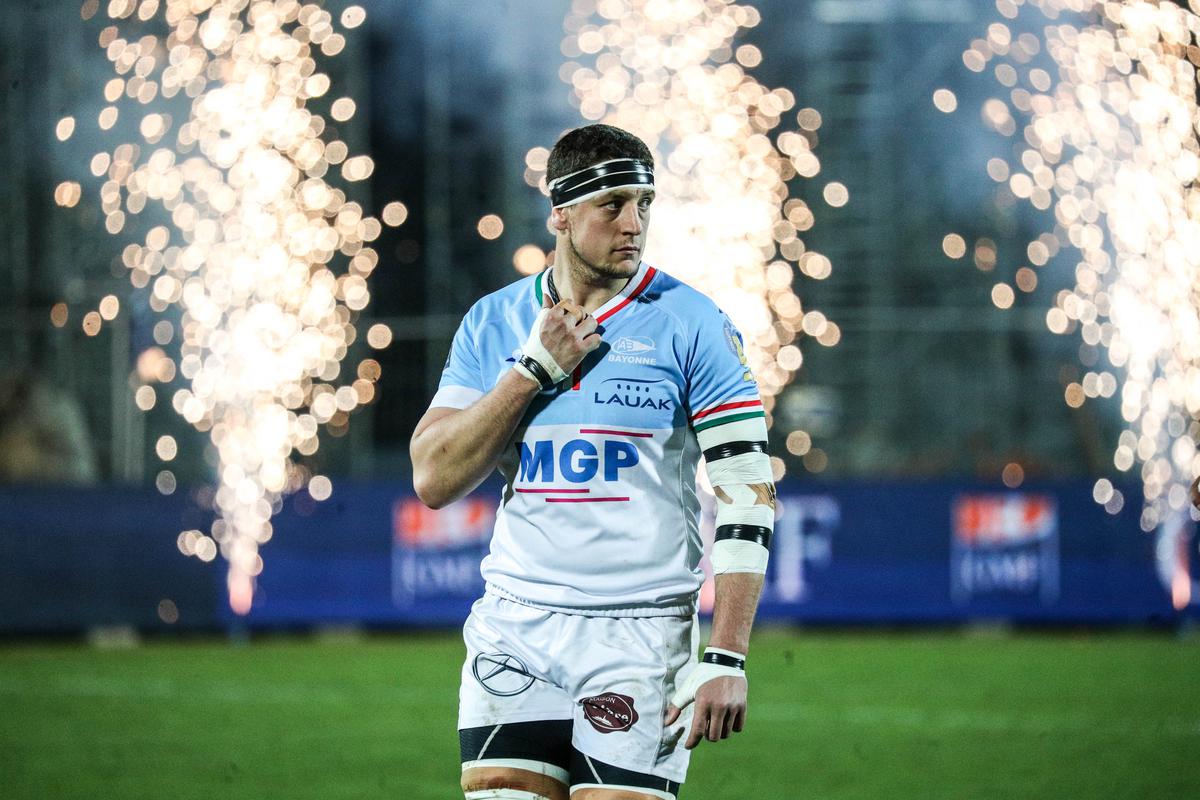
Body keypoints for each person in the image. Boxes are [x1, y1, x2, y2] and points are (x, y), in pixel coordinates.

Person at [410, 123, 775, 800]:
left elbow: (749, 496)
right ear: (561, 213)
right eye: (613, 205)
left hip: (641, 635)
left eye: (644, 203)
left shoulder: (695, 322)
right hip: (515, 626)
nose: (634, 223)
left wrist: (726, 655)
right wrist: (530, 371)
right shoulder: (493, 321)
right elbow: (433, 478)